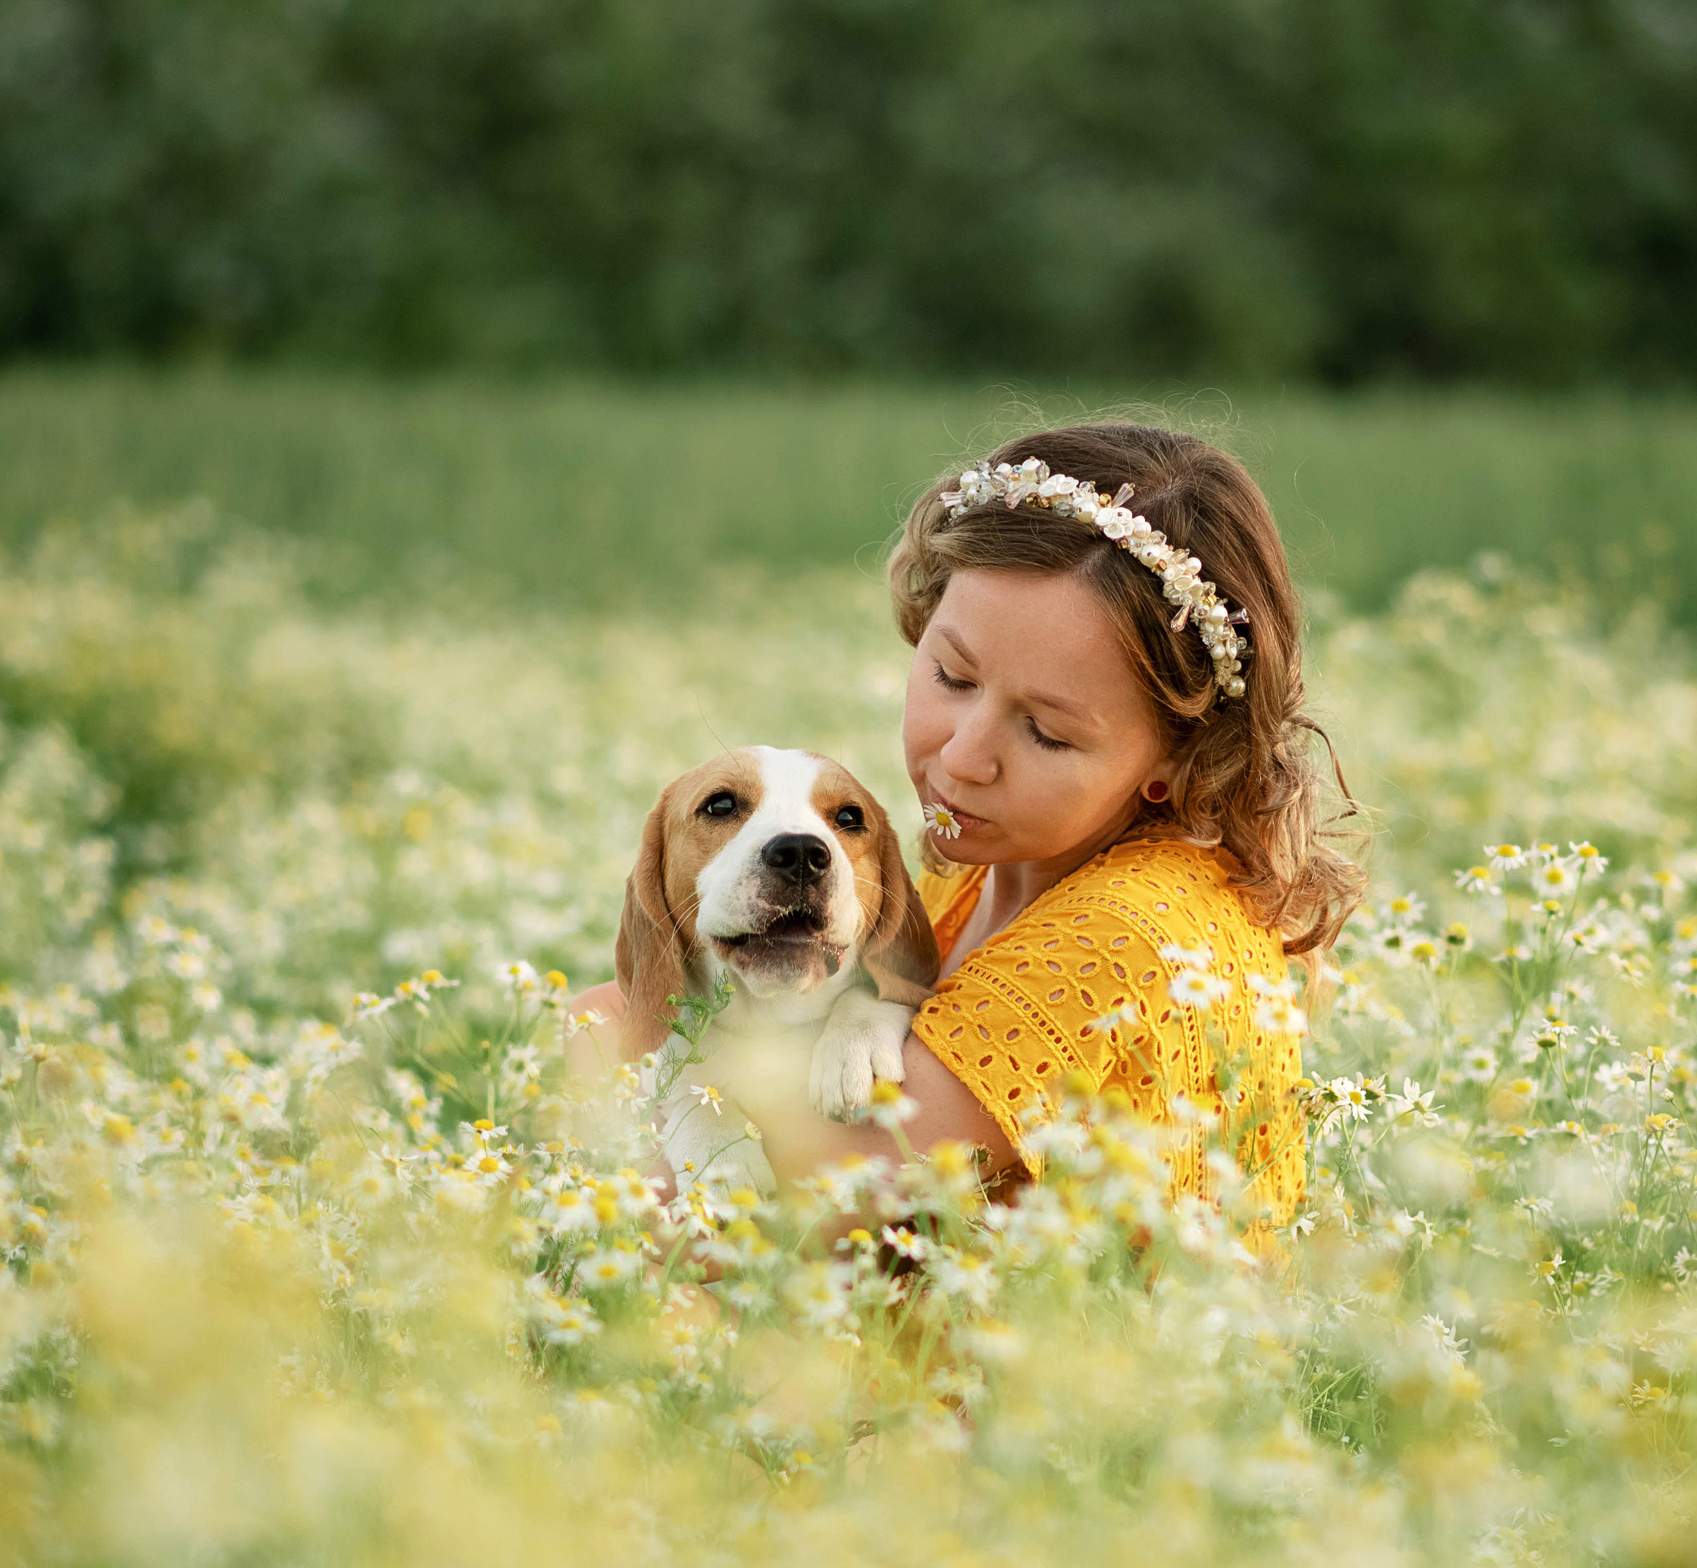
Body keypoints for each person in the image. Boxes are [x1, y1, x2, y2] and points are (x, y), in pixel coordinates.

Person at [570, 420, 1363, 1237]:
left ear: (1179, 758)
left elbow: (732, 1219)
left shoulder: (1133, 932)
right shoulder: (971, 868)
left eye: (1047, 732)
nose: (962, 755)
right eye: (952, 675)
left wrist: (612, 1051)